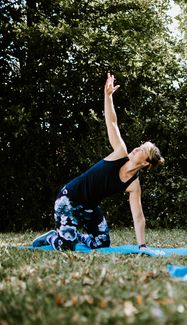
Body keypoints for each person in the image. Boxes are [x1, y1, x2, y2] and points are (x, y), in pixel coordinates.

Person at [32, 73, 164, 251]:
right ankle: (54, 237)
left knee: (102, 243)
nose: (137, 148)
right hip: (69, 199)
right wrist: (108, 97)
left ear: (146, 163)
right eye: (140, 145)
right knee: (66, 246)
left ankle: (73, 235)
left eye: (143, 150)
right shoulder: (120, 153)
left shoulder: (134, 185)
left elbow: (138, 216)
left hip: (89, 207)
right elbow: (112, 123)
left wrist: (142, 246)